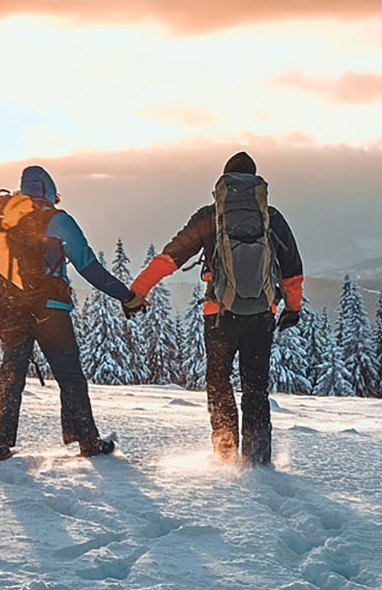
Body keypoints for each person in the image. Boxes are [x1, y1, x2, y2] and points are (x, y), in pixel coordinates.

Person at [128, 151, 305, 467]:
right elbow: (292, 268)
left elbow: (171, 257)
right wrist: (292, 308)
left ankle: (225, 456)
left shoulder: (210, 217)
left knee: (219, 382)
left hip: (219, 316)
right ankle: (257, 461)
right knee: (255, 389)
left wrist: (138, 291)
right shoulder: (271, 218)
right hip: (261, 315)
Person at [0, 165, 133, 461]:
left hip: (12, 310)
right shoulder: (58, 220)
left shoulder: (5, 220)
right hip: (50, 311)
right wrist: (126, 295)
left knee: (11, 373)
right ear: (49, 191)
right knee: (70, 375)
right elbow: (88, 267)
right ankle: (86, 441)